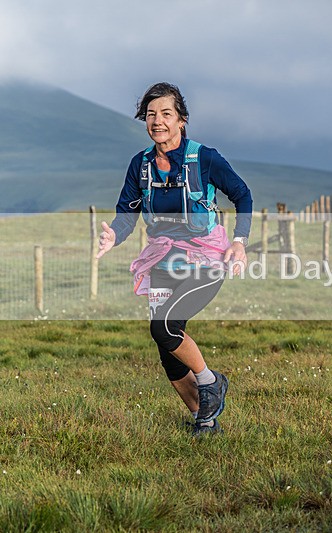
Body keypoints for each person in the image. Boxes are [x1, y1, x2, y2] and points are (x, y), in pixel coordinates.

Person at [97, 82, 253, 436]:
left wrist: (240, 241)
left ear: (181, 119)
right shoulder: (140, 165)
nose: (158, 121)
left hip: (206, 256)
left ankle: (210, 381)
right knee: (168, 347)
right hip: (163, 259)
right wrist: (114, 235)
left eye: (166, 113)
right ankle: (205, 421)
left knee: (163, 326)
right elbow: (127, 214)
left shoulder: (205, 158)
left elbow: (242, 195)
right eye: (151, 115)